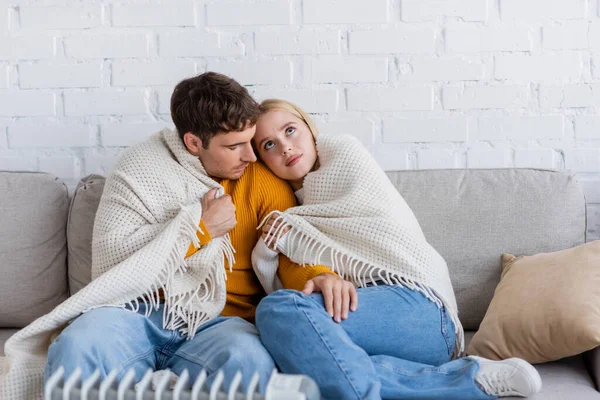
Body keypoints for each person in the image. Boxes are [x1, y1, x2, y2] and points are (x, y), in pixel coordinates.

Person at [0, 72, 332, 400]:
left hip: (219, 321)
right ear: (193, 142)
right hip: (133, 313)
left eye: (250, 140)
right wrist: (198, 230)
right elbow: (113, 259)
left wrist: (318, 275)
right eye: (234, 146)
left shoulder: (262, 180)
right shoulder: (140, 168)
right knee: (75, 347)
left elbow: (290, 249)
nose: (250, 155)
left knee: (249, 363)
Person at [250, 99, 543, 400]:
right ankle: (472, 378)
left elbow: (325, 234)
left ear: (310, 129)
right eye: (269, 144)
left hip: (423, 310)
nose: (285, 147)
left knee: (280, 310)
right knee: (309, 358)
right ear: (261, 159)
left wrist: (289, 234)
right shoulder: (291, 209)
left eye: (290, 130)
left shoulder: (343, 155)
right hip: (375, 329)